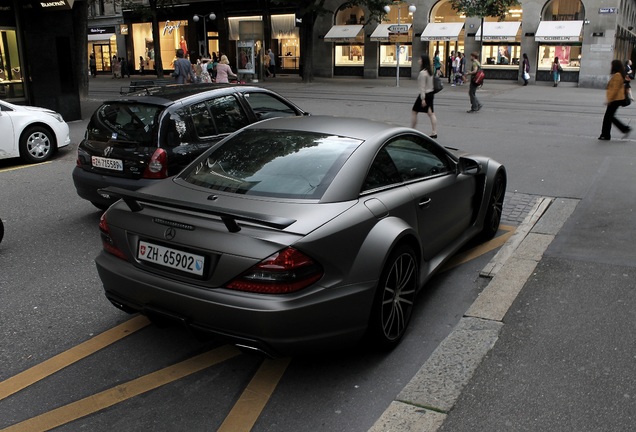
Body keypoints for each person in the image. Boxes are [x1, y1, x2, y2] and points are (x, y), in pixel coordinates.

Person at [599, 59, 631, 141]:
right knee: (610, 117)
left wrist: (609, 99)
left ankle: (606, 134)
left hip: (616, 99)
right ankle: (623, 129)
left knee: (607, 117)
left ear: (615, 66)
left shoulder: (617, 75)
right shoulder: (620, 74)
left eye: (612, 65)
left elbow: (615, 89)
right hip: (617, 98)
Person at [411, 54, 437, 139]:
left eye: (419, 59)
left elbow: (422, 87)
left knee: (414, 111)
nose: (418, 61)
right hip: (431, 94)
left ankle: (412, 130)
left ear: (423, 61)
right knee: (431, 113)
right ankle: (434, 132)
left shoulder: (422, 73)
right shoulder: (430, 71)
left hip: (424, 95)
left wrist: (422, 99)